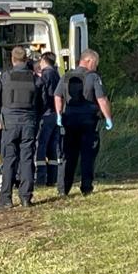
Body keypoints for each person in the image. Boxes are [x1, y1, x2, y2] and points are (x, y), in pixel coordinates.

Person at [0, 46, 42, 208]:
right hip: (29, 122)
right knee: (26, 159)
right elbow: (43, 101)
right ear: (26, 59)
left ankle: (6, 199)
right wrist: (35, 117)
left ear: (12, 60)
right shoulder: (35, 78)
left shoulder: (5, 77)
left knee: (9, 160)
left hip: (9, 123)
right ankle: (26, 198)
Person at [54, 49, 113, 196]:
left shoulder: (66, 76)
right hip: (88, 121)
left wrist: (59, 114)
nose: (96, 67)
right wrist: (108, 118)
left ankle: (63, 189)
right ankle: (86, 188)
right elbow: (102, 99)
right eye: (96, 64)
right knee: (88, 155)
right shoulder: (93, 77)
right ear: (89, 61)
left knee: (68, 155)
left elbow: (57, 96)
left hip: (69, 120)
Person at [35, 52, 61, 186]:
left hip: (46, 114)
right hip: (56, 114)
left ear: (44, 60)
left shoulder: (46, 74)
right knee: (53, 147)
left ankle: (40, 179)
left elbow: (42, 93)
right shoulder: (57, 74)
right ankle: (53, 178)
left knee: (41, 146)